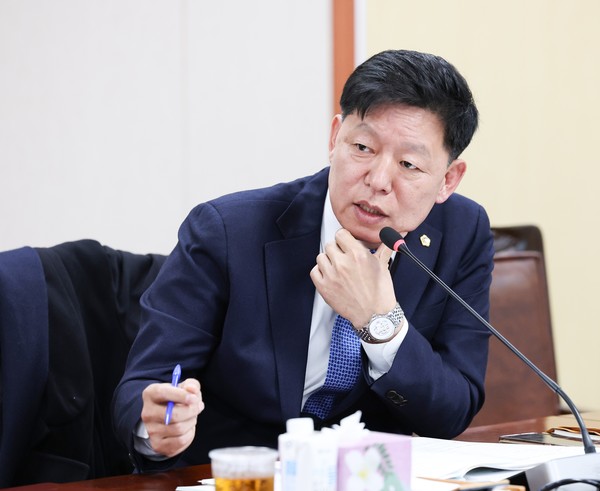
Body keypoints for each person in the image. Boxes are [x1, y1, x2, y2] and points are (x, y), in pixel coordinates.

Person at [112, 49, 494, 471]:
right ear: (335, 139)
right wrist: (156, 425)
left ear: (448, 180)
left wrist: (380, 322)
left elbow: (451, 411)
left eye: (408, 164)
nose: (378, 180)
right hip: (240, 475)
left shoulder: (462, 232)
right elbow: (145, 383)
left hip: (368, 475)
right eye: (363, 147)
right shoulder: (227, 231)